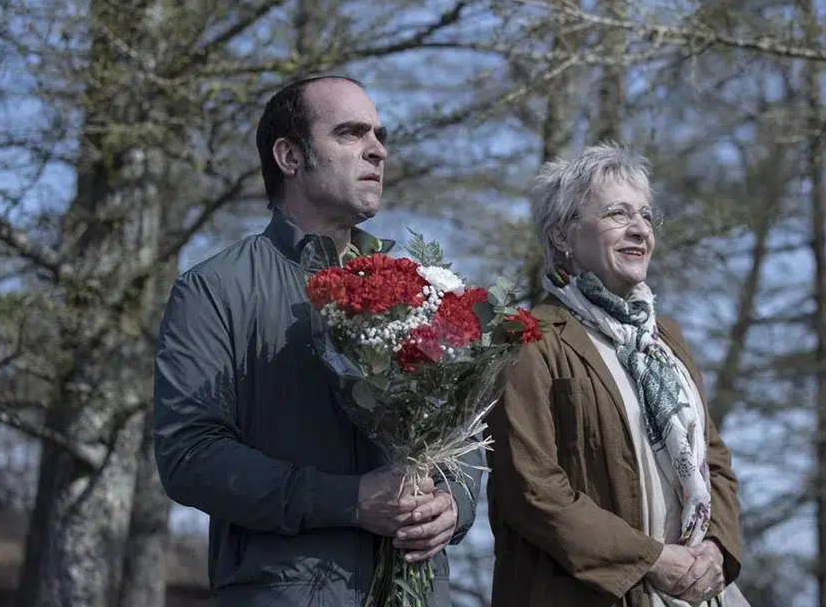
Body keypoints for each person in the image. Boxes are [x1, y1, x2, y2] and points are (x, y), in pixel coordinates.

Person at [153, 75, 480, 606]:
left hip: (418, 591)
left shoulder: (421, 285)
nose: (377, 149)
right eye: (351, 134)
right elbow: (190, 457)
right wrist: (347, 500)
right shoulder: (214, 289)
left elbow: (462, 430)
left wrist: (453, 504)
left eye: (380, 135)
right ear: (289, 156)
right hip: (286, 592)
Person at [485, 143, 747, 607]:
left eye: (646, 216)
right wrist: (649, 560)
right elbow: (530, 489)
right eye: (617, 214)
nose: (639, 230)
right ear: (562, 236)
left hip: (696, 593)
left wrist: (716, 548)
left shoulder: (666, 339)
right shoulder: (526, 338)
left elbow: (717, 461)